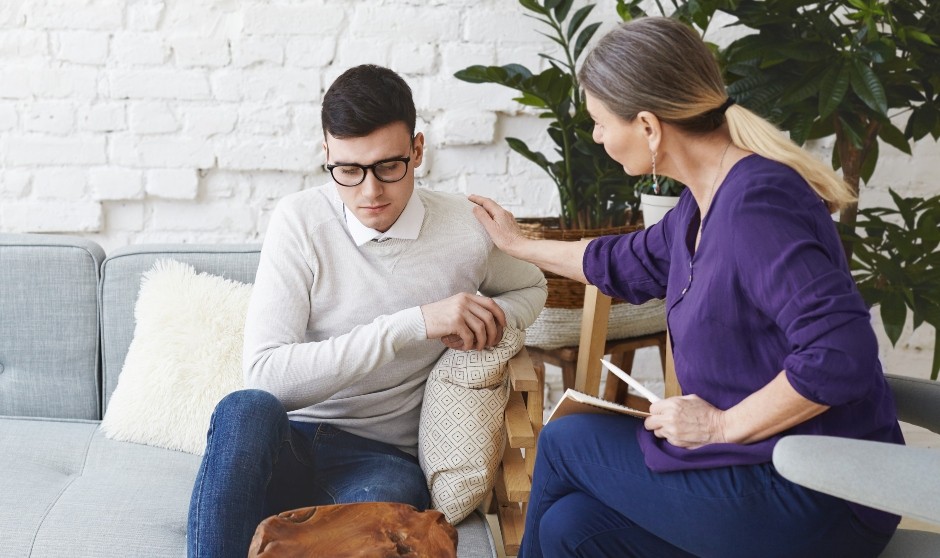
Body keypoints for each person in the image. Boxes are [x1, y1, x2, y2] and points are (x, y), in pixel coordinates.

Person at [470, 16, 903, 558]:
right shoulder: (698, 206)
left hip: (818, 493)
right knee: (570, 528)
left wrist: (721, 425)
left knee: (564, 440)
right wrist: (518, 244)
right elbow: (618, 260)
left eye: (602, 122)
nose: (598, 136)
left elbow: (841, 355)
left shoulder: (756, 206)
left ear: (649, 127)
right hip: (757, 468)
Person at [187, 64, 547, 558]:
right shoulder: (300, 221)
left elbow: (532, 286)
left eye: (388, 167)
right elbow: (266, 377)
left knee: (388, 521)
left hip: (380, 459)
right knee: (245, 408)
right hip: (287, 440)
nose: (370, 192)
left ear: (417, 150)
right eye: (349, 171)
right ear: (327, 154)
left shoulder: (465, 229)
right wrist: (413, 323)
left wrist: (490, 315)